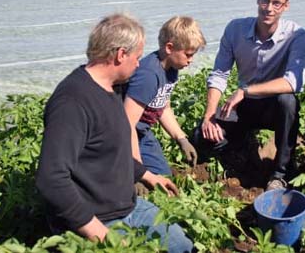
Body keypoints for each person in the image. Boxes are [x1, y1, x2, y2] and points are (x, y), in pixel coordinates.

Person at [35, 14, 193, 253]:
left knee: (183, 247)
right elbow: (51, 179)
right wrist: (101, 234)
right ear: (120, 55)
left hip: (130, 207)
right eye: (137, 58)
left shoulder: (113, 90)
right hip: (97, 219)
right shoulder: (72, 102)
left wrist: (147, 176)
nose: (140, 65)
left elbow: (110, 150)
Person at [192, 0, 305, 190]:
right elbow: (219, 74)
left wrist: (245, 90)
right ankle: (238, 152)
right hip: (244, 108)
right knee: (201, 135)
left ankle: (280, 173)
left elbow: (293, 81)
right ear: (257, 0)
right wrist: (209, 117)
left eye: (276, 3)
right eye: (265, 1)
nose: (269, 8)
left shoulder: (296, 34)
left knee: (288, 102)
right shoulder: (235, 29)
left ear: (285, 6)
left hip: (274, 107)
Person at [124, 16, 206, 176]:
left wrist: (181, 138)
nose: (191, 61)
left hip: (143, 133)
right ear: (169, 48)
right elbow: (126, 124)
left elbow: (163, 106)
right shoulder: (148, 76)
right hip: (122, 136)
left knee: (163, 175)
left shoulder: (171, 69)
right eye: (188, 55)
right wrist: (137, 170)